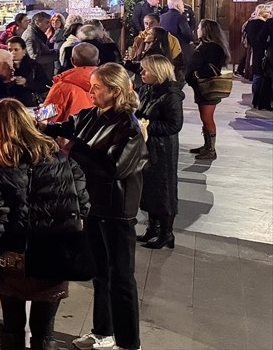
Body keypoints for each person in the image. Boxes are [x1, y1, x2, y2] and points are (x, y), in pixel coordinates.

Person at [41, 63, 147, 350]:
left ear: (114, 91)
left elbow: (114, 167)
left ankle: (128, 342)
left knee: (121, 277)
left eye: (97, 87)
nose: (91, 91)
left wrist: (74, 148)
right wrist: (42, 125)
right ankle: (103, 332)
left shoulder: (128, 126)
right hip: (93, 204)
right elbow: (68, 126)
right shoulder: (91, 115)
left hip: (117, 210)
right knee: (100, 273)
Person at [0, 98, 91, 350]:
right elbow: (82, 203)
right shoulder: (58, 156)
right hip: (55, 256)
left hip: (13, 260)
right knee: (44, 331)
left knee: (12, 327)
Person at [135, 55, 183, 250]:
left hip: (163, 149)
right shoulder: (147, 89)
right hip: (147, 146)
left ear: (158, 72)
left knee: (164, 189)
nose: (141, 73)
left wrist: (147, 126)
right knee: (148, 188)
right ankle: (152, 228)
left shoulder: (171, 95)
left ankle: (166, 233)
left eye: (145, 70)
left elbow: (174, 125)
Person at [186, 19, 229, 160]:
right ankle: (206, 145)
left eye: (199, 27)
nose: (197, 29)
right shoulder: (205, 45)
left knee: (207, 117)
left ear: (206, 30)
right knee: (204, 117)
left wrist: (196, 75)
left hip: (207, 86)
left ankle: (211, 150)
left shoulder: (213, 47)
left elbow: (212, 68)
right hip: (200, 86)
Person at [43, 42, 99, 122]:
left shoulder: (62, 87)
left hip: (70, 132)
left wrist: (39, 112)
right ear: (98, 61)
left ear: (72, 61)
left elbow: (45, 117)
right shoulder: (111, 84)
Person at [7, 36, 48, 104]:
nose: (12, 53)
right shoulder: (6, 66)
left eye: (16, 49)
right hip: (11, 103)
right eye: (10, 50)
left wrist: (26, 82)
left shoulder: (34, 66)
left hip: (30, 103)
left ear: (24, 50)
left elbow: (44, 86)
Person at [23, 11, 59, 78]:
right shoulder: (31, 36)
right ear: (37, 23)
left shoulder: (38, 34)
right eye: (47, 22)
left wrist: (54, 51)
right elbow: (34, 58)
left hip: (43, 73)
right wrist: (55, 56)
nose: (49, 25)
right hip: (39, 76)